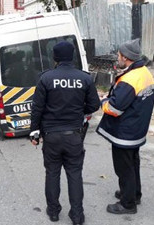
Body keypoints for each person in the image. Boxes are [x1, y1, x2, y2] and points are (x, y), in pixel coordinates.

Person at [30, 41, 100, 225]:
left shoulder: (46, 78)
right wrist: (79, 110)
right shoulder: (84, 78)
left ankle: (53, 212)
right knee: (75, 174)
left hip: (51, 136)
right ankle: (77, 216)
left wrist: (34, 133)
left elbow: (37, 108)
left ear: (55, 57)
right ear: (72, 56)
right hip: (74, 136)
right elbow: (94, 105)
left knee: (52, 173)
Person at [96, 39, 154, 214]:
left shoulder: (129, 79)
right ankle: (133, 193)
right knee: (133, 164)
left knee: (124, 167)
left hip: (125, 133)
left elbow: (114, 108)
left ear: (126, 57)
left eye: (119, 55)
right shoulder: (144, 72)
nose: (117, 57)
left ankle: (128, 204)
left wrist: (102, 101)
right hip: (137, 129)